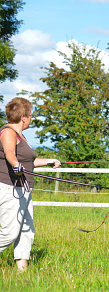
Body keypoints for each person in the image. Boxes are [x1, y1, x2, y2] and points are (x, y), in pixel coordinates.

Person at [0, 97, 61, 272]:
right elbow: (10, 153)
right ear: (23, 117)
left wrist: (49, 161)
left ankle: (22, 271)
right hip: (10, 189)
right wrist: (15, 164)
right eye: (31, 116)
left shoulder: (21, 136)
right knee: (10, 232)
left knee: (26, 230)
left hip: (23, 189)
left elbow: (28, 162)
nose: (31, 119)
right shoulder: (8, 132)